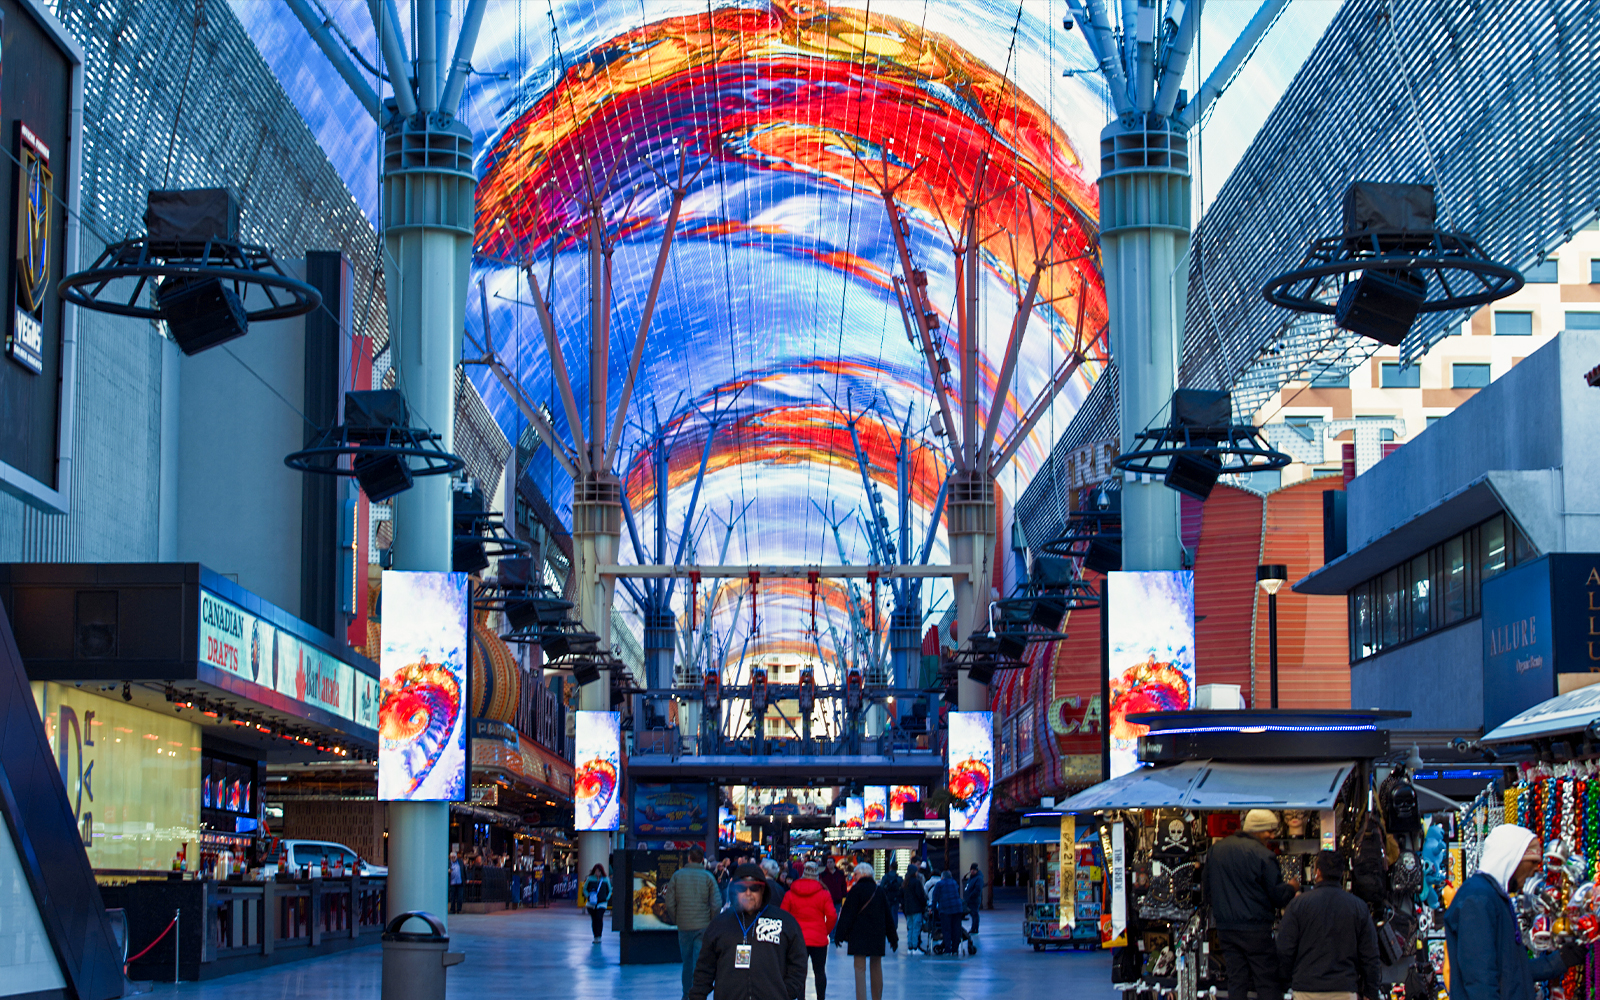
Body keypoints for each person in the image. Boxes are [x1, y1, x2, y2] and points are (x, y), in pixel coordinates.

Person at [1443, 824, 1587, 1000]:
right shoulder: (1478, 899)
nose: (1536, 869)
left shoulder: (1492, 896)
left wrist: (1558, 962)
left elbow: (1509, 971)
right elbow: (1480, 981)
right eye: (1533, 862)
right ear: (1513, 858)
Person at [1205, 809, 1300, 1000]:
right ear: (1257, 830)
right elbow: (1277, 896)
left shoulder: (1216, 850)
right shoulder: (1264, 856)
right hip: (1256, 929)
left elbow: (1207, 890)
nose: (1272, 836)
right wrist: (1291, 888)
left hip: (1226, 928)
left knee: (1236, 981)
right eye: (1269, 831)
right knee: (1266, 981)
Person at [689, 863, 806, 1000]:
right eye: (742, 888)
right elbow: (704, 968)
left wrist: (785, 992)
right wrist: (697, 995)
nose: (748, 893)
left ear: (762, 890)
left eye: (754, 888)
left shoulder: (784, 922)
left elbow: (798, 963)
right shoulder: (720, 924)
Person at [1276, 851, 1382, 1000]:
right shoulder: (1358, 907)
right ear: (1341, 873)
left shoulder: (1298, 905)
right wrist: (1371, 992)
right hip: (1344, 989)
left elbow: (1284, 949)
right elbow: (1370, 955)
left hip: (1306, 990)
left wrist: (1286, 983)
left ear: (1317, 872)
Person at [663, 845, 724, 1000]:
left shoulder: (677, 876)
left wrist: (677, 917)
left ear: (688, 858)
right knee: (699, 963)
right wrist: (710, 921)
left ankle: (686, 995)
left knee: (687, 963)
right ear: (702, 860)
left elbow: (669, 902)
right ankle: (697, 995)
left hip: (684, 926)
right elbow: (717, 904)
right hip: (703, 927)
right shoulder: (708, 877)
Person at [834, 863, 897, 1000]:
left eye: (855, 874)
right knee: (876, 966)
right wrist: (893, 938)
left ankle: (861, 998)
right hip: (877, 935)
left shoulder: (855, 891)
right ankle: (877, 997)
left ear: (863, 874)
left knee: (859, 969)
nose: (854, 877)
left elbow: (847, 915)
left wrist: (839, 934)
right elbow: (888, 915)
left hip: (859, 936)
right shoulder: (879, 891)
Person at [782, 861, 839, 1000]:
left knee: (799, 972)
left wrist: (789, 934)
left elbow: (783, 915)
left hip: (797, 939)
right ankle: (820, 998)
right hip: (818, 940)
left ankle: (800, 998)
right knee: (819, 972)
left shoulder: (791, 893)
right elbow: (832, 916)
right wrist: (824, 931)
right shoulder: (824, 894)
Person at [928, 868, 968, 955]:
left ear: (942, 877)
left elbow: (935, 898)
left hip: (945, 910)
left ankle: (947, 949)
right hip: (957, 909)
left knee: (946, 930)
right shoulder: (954, 883)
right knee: (956, 929)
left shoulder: (939, 884)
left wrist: (933, 909)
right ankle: (955, 949)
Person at [583, 863, 611, 943]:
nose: (597, 873)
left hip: (602, 903)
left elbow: (609, 890)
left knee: (599, 918)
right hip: (591, 904)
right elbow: (584, 888)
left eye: (599, 871)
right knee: (594, 920)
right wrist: (588, 896)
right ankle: (596, 936)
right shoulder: (590, 879)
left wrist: (606, 898)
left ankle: (599, 936)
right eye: (596, 871)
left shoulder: (605, 879)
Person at [902, 865, 928, 953]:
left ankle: (910, 946)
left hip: (908, 909)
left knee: (910, 927)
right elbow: (920, 896)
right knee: (916, 928)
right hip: (916, 908)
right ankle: (915, 946)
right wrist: (924, 904)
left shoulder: (905, 883)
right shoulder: (916, 882)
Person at [962, 862, 984, 934]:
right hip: (970, 899)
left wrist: (970, 896)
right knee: (973, 914)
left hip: (974, 900)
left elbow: (977, 890)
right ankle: (973, 928)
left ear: (977, 870)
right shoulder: (971, 878)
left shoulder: (978, 879)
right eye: (971, 870)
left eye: (974, 870)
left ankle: (975, 928)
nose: (972, 871)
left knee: (975, 914)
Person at [880, 861, 904, 930]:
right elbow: (902, 888)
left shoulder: (886, 877)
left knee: (886, 914)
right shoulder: (899, 878)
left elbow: (881, 887)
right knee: (894, 914)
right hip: (896, 898)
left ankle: (887, 927)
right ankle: (894, 928)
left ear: (890, 867)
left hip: (887, 897)